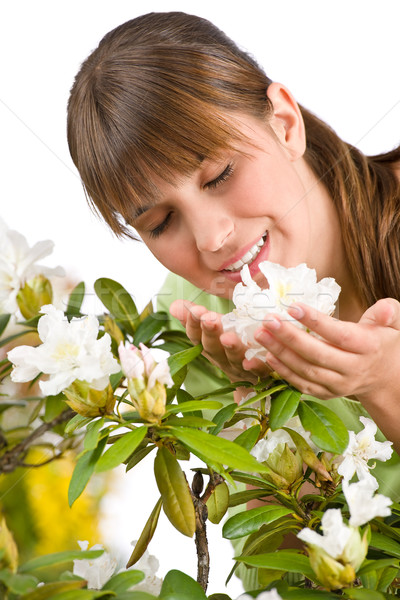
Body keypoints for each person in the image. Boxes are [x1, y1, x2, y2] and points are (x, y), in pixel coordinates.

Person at [67, 11, 400, 476]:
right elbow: (289, 542)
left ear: (284, 123)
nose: (212, 238)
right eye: (161, 223)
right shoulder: (193, 330)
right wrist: (261, 410)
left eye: (221, 175)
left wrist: (387, 384)